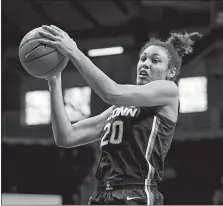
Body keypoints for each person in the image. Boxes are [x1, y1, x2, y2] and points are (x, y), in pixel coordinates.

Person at [38, 25, 202, 205]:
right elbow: (66, 137)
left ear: (170, 72)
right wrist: (54, 82)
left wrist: (73, 51)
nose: (145, 63)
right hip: (102, 194)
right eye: (143, 58)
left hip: (136, 192)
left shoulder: (169, 90)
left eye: (155, 60)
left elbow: (111, 92)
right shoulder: (118, 108)